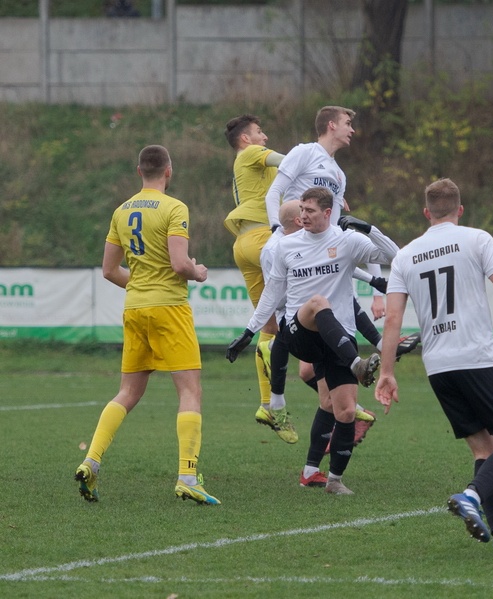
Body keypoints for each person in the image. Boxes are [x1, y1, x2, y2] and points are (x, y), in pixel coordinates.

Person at [375, 178, 493, 555]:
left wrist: (386, 372)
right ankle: (471, 495)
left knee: (484, 449)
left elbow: (392, 321)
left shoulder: (405, 255)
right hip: (477, 357)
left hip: (439, 366)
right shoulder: (477, 239)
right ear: (460, 210)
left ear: (426, 213)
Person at [227, 187, 399, 495]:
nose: (302, 215)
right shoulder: (286, 246)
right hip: (300, 331)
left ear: (328, 213)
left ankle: (331, 479)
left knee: (342, 411)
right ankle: (357, 365)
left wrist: (368, 228)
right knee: (318, 303)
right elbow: (273, 292)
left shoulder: (347, 242)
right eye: (301, 209)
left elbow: (395, 257)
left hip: (338, 339)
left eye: (309, 210)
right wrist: (250, 331)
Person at [74, 145, 219, 505]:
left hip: (135, 309)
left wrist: (140, 285)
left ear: (139, 171)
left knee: (127, 392)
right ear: (168, 171)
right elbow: (180, 264)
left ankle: (91, 461)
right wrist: (198, 273)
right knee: (189, 391)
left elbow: (109, 270)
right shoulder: (174, 207)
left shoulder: (121, 211)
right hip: (169, 307)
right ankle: (187, 475)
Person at [262, 105, 414, 437]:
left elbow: (349, 234)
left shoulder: (339, 175)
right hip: (296, 254)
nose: (352, 130)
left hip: (326, 259)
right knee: (287, 331)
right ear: (331, 125)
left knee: (310, 367)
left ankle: (338, 417)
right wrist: (277, 231)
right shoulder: (304, 153)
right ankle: (285, 403)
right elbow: (273, 193)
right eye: (348, 123)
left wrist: (376, 288)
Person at [224, 114, 297, 444]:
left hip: (243, 245)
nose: (264, 137)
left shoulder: (249, 169)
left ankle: (268, 405)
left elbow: (284, 182)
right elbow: (292, 161)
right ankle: (340, 378)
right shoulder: (250, 153)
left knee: (268, 327)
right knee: (321, 287)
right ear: (245, 139)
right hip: (263, 242)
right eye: (259, 132)